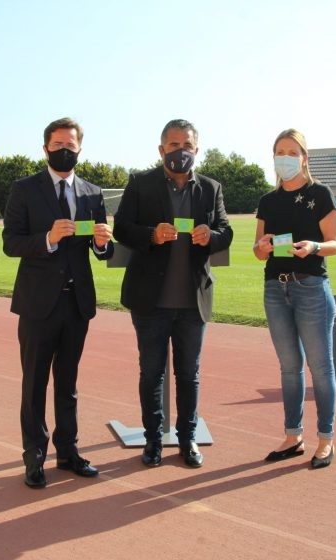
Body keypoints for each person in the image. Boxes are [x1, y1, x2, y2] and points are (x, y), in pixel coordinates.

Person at [114, 119, 233, 469]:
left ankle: (187, 439)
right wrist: (151, 234)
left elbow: (226, 232)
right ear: (161, 149)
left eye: (187, 145)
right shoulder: (140, 183)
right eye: (173, 144)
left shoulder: (211, 188)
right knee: (151, 373)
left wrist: (210, 236)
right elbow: (122, 228)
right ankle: (152, 440)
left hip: (193, 300)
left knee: (188, 374)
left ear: (196, 150)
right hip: (150, 300)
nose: (180, 151)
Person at [2, 117, 114, 488]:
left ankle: (68, 451)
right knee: (34, 383)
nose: (65, 149)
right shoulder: (24, 189)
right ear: (45, 148)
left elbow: (103, 250)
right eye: (57, 144)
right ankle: (34, 455)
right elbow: (11, 243)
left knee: (68, 382)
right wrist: (47, 238)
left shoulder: (92, 193)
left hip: (76, 304)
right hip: (37, 305)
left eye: (71, 144)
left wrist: (101, 243)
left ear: (80, 149)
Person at [252, 128, 336, 469]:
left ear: (304, 157)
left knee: (320, 368)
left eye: (292, 152)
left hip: (311, 287)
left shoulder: (320, 194)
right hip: (276, 288)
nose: (284, 158)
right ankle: (293, 436)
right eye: (279, 152)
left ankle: (326, 439)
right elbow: (259, 251)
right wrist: (261, 247)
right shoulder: (268, 201)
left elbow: (335, 242)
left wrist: (315, 247)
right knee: (289, 368)